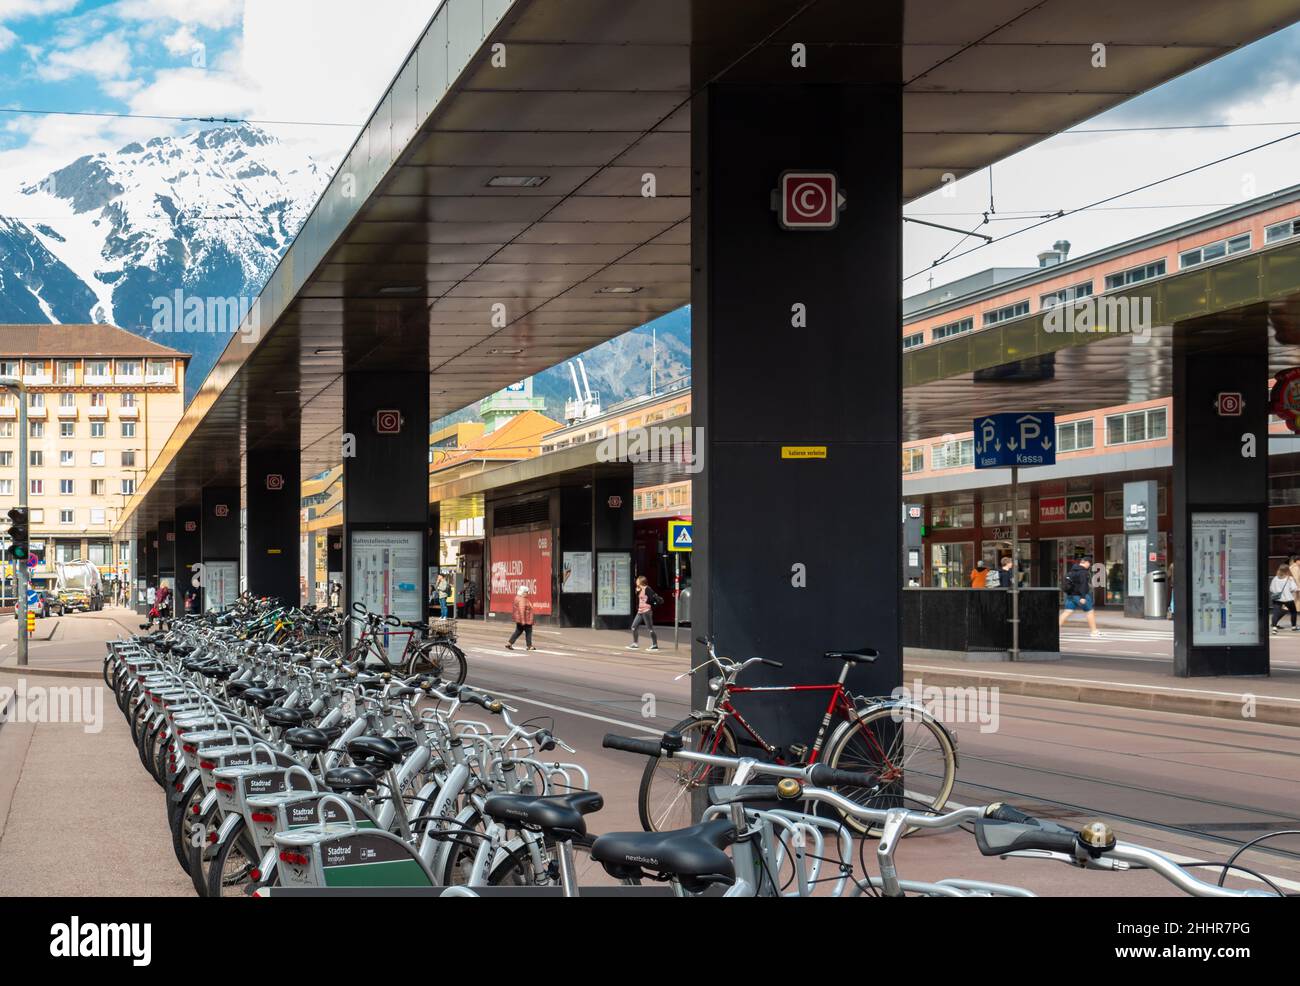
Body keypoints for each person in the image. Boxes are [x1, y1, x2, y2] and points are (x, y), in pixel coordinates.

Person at [1058, 555, 1100, 637]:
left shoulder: (1072, 571)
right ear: (1087, 563)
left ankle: (1054, 630)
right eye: (1089, 563)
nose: (1089, 565)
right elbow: (1083, 585)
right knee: (1089, 612)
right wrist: (1083, 597)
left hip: (1070, 596)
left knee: (1067, 611)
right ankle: (1094, 631)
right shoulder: (1083, 572)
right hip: (1080, 595)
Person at [628, 575, 662, 650]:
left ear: (641, 581)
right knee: (633, 627)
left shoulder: (648, 589)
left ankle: (654, 645)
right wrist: (637, 591)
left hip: (646, 611)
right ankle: (635, 643)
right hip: (640, 611)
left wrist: (650, 603)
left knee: (650, 628)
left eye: (637, 580)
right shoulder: (639, 589)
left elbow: (652, 598)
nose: (636, 581)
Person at [505, 585, 536, 651]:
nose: (528, 593)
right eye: (527, 592)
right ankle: (529, 646)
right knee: (528, 632)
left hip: (520, 619)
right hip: (525, 619)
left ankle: (509, 643)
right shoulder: (522, 600)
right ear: (523, 592)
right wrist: (523, 621)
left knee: (518, 631)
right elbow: (522, 610)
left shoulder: (517, 598)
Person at [1270, 564, 1298, 634]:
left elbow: (1271, 589)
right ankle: (1294, 627)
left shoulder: (1275, 578)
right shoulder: (1289, 578)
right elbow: (1294, 588)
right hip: (1288, 599)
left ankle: (1274, 628)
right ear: (1287, 570)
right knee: (1293, 612)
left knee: (1275, 613)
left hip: (1277, 599)